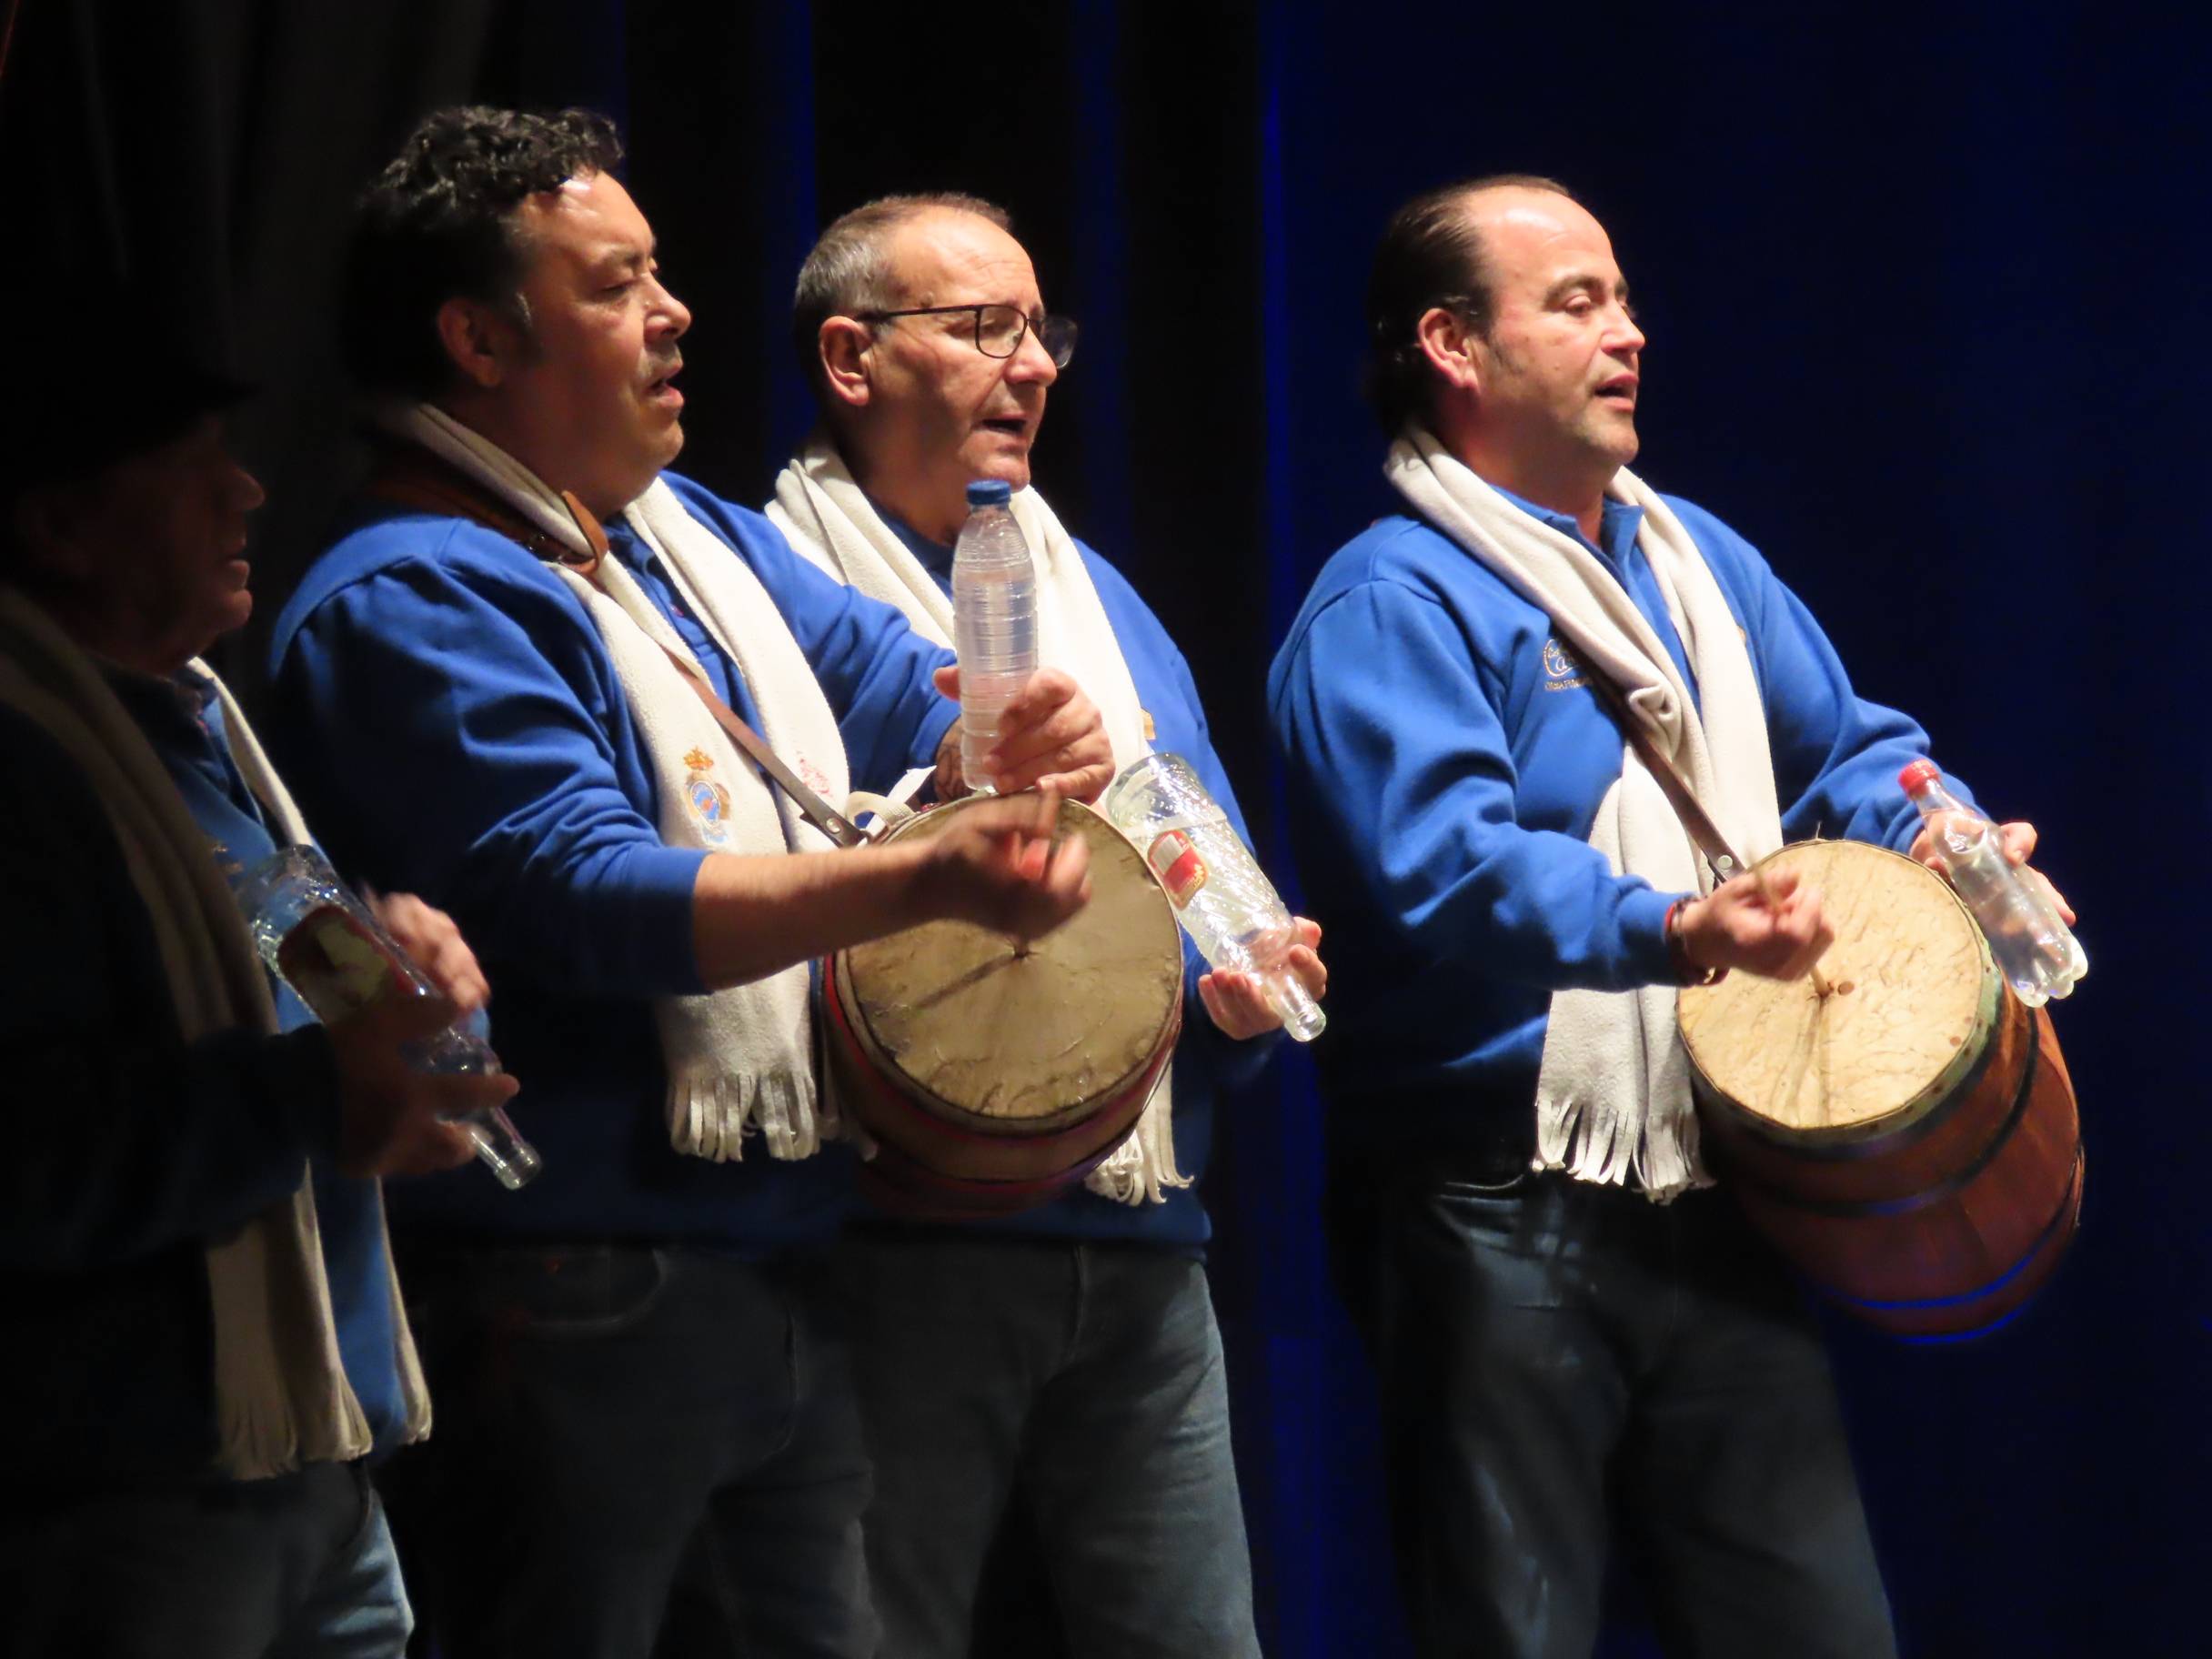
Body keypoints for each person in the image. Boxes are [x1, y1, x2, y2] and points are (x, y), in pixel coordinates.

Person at [264, 111, 1109, 1659]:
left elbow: (884, 677)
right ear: (476, 337)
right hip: (566, 1279)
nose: (677, 314)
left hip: (763, 1260)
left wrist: (1001, 724)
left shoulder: (668, 537)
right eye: (616, 285)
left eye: (660, 275)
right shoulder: (415, 586)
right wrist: (920, 880)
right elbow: (584, 894)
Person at [1266, 176, 2074, 1659]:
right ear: (1452, 345)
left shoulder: (1694, 559)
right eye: (1576, 302)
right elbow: (1442, 867)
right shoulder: (1391, 600)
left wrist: (1946, 829)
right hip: (1491, 1205)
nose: (1627, 332)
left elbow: (1848, 751)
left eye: (1623, 298)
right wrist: (1687, 928)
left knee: (1817, 1631)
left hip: (1718, 1179)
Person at [768, 192, 1324, 1658]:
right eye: (980, 329)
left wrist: (1239, 996)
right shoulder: (766, 594)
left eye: (1042, 330)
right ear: (850, 357)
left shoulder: (1105, 602)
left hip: (1142, 1225)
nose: (1032, 365)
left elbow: (1203, 875)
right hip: (895, 1229)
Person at [0, 312, 516, 1659]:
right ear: (60, 530)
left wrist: (418, 991)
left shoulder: (200, 728)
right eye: (194, 466)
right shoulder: (26, 769)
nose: (248, 489)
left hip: (318, 1464)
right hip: (135, 1497)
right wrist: (314, 1093)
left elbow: (317, 1011)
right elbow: (31, 1154)